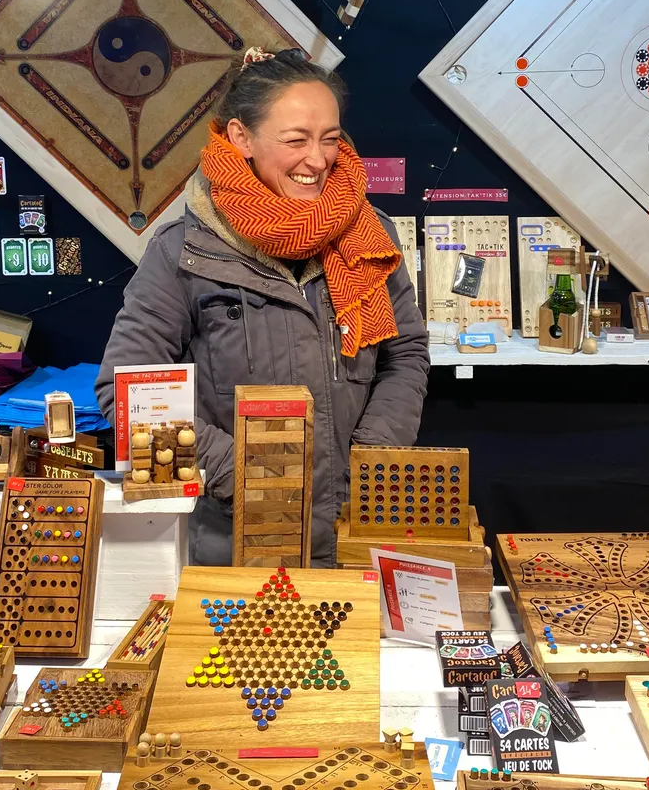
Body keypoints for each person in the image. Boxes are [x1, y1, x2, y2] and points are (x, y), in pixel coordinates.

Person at [95, 45, 429, 565]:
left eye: (330, 140)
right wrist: (246, 474)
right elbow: (128, 395)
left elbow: (404, 354)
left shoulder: (369, 233)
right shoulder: (184, 252)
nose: (317, 160)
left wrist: (372, 460)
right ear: (240, 137)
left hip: (355, 532)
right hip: (239, 545)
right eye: (296, 140)